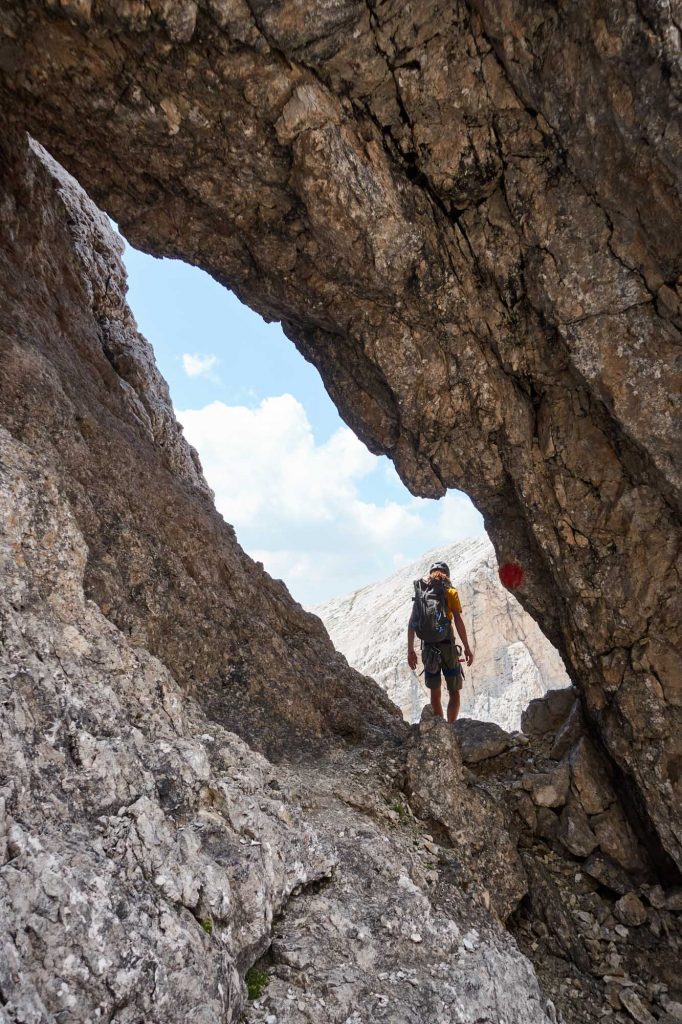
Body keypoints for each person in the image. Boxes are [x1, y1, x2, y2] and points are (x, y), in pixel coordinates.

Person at [407, 560, 474, 722]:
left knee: (434, 692)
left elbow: (411, 624)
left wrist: (410, 651)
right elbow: (458, 621)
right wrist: (466, 647)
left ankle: (441, 728)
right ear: (447, 575)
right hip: (448, 647)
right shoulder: (450, 592)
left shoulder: (421, 595)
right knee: (454, 691)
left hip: (429, 649)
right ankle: (451, 727)